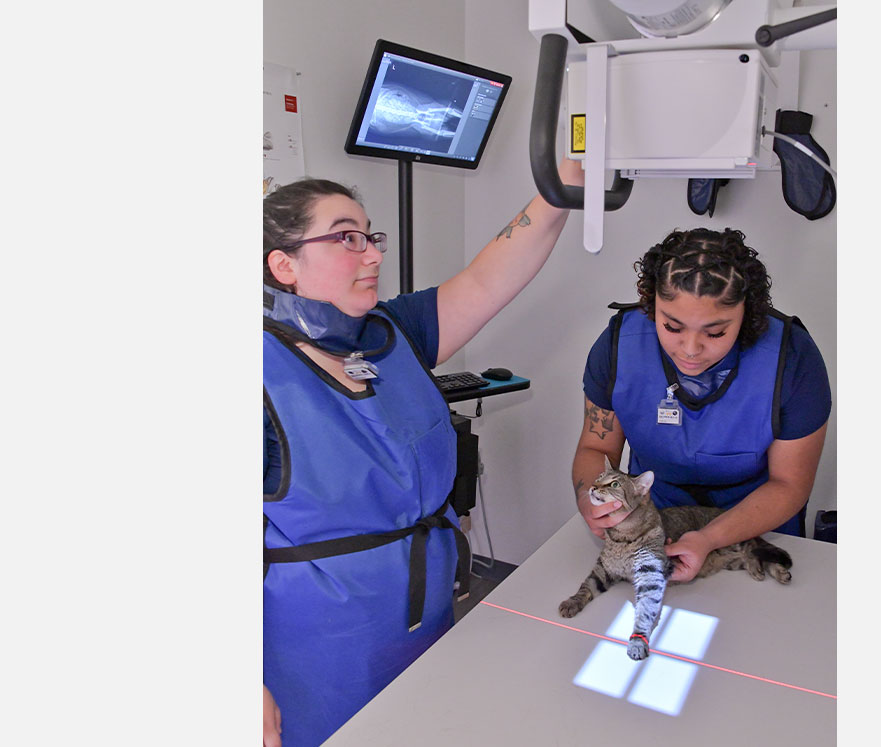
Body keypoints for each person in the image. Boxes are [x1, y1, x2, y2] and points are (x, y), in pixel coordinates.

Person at [262, 160, 582, 747]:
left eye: (370, 236)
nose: (372, 254)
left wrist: (559, 189)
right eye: (345, 238)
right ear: (284, 265)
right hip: (319, 640)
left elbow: (489, 280)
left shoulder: (391, 332)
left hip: (423, 610)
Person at [571, 227, 831, 583]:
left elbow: (789, 484)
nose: (690, 349)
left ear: (748, 313)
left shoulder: (792, 359)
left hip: (757, 534)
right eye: (671, 326)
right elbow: (595, 446)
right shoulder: (619, 346)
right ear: (650, 304)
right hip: (653, 528)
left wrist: (709, 538)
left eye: (715, 333)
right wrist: (590, 499)